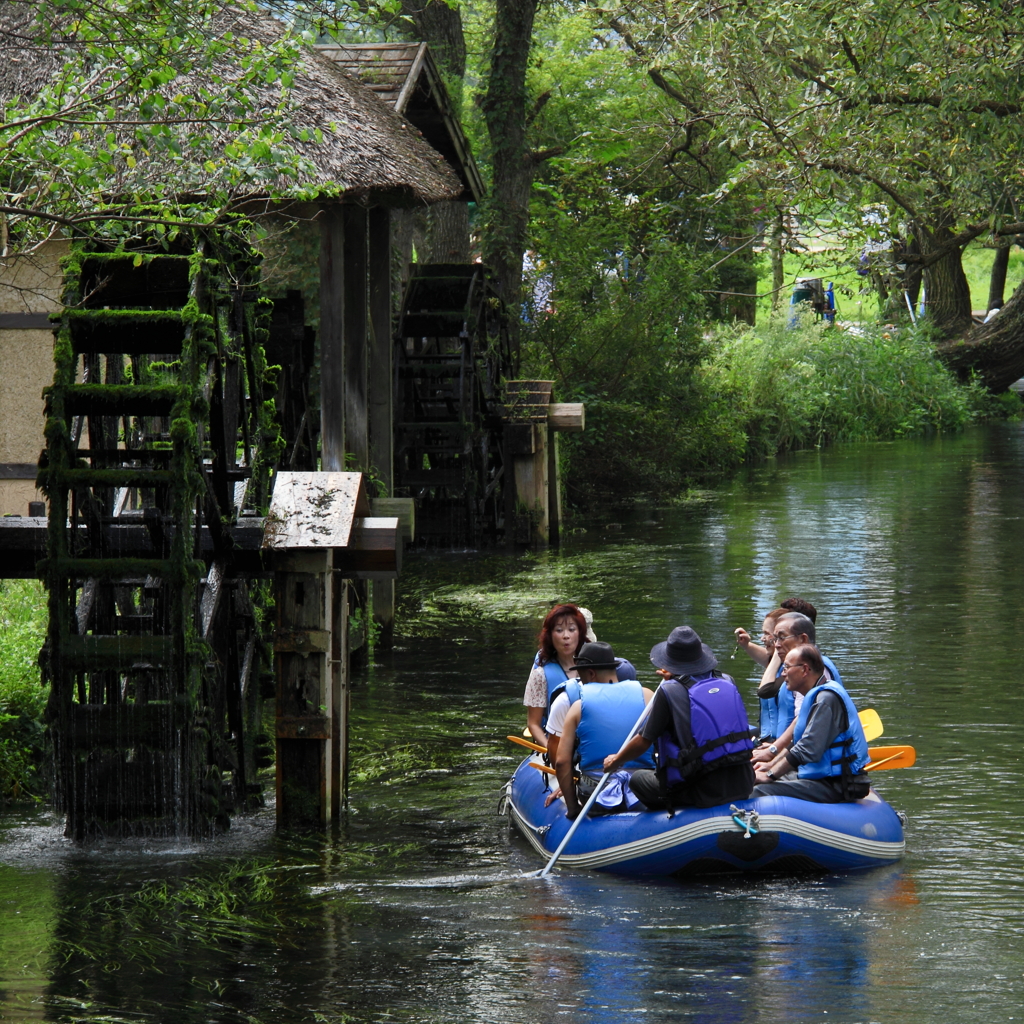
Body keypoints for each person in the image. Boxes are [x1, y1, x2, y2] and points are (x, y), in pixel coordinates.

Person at [604, 626, 755, 811]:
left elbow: (643, 741)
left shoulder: (668, 691)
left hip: (701, 790)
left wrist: (616, 760)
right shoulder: (727, 680)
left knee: (638, 779)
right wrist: (676, 679)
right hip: (743, 783)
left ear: (671, 663)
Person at [752, 644, 870, 802]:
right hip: (819, 777)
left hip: (836, 783)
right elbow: (797, 743)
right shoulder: (814, 697)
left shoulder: (826, 700)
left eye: (787, 667)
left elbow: (807, 749)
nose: (783, 673)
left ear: (805, 670)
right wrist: (769, 765)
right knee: (749, 783)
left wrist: (770, 775)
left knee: (759, 791)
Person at [554, 642, 655, 820]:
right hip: (643, 790)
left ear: (591, 673)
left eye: (581, 676)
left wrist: (572, 808)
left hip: (597, 795)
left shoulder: (578, 707)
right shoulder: (647, 696)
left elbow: (562, 762)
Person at [755, 610, 843, 754]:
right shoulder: (796, 668)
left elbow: (806, 727)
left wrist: (773, 752)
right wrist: (774, 747)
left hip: (808, 760)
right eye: (775, 639)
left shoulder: (812, 671)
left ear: (803, 639)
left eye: (782, 638)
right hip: (786, 748)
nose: (776, 645)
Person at [522, 603, 587, 746]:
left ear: (580, 633)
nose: (566, 636)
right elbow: (533, 724)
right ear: (550, 636)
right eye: (559, 630)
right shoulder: (540, 674)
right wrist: (551, 750)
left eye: (571, 629)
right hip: (556, 742)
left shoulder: (593, 666)